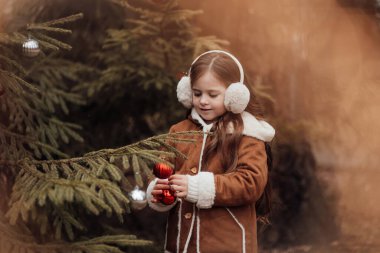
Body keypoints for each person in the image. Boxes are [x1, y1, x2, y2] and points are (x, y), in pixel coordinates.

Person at [146, 50, 275, 253]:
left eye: (212, 95)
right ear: (188, 92)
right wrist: (160, 191)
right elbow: (161, 170)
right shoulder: (179, 131)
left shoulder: (248, 134)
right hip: (181, 245)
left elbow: (251, 182)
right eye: (197, 94)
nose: (203, 101)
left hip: (226, 245)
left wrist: (198, 186)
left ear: (235, 95)